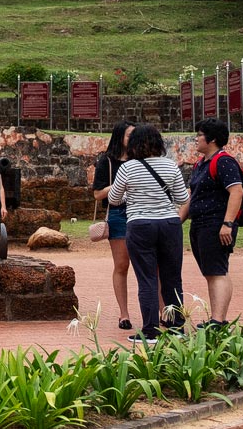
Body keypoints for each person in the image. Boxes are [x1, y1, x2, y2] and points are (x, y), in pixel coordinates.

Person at [107, 124, 189, 343]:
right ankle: (176, 327)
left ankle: (151, 330)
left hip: (140, 225)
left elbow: (114, 199)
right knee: (172, 277)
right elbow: (182, 198)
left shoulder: (128, 168)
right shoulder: (171, 165)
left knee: (147, 278)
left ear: (134, 144)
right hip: (169, 224)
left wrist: (132, 196)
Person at [181, 119, 243, 327]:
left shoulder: (223, 161)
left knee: (217, 271)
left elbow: (237, 191)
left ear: (213, 139)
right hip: (200, 224)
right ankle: (217, 318)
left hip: (215, 223)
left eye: (200, 135)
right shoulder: (201, 164)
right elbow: (193, 196)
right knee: (211, 272)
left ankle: (218, 320)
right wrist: (177, 221)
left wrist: (227, 224)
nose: (196, 139)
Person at [93, 120, 136, 331]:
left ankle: (161, 310)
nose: (133, 139)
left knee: (149, 264)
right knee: (121, 265)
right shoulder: (107, 162)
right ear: (120, 137)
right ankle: (124, 313)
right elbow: (98, 194)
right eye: (129, 135)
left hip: (140, 212)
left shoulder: (140, 159)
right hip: (118, 214)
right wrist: (119, 185)